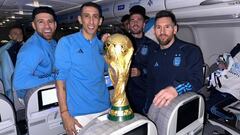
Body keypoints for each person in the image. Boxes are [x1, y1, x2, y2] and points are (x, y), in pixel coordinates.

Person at [55, 2, 110, 135]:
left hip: (105, 109)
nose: (91, 21)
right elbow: (60, 81)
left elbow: (109, 72)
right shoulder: (67, 43)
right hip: (79, 114)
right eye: (87, 16)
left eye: (95, 16)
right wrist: (64, 113)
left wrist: (110, 48)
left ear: (100, 21)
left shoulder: (103, 46)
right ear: (80, 19)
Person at [144, 10, 204, 113]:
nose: (162, 31)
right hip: (157, 106)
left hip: (181, 107)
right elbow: (150, 85)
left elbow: (197, 81)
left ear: (175, 29)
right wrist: (147, 108)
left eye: (167, 27)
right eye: (158, 27)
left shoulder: (190, 51)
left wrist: (176, 89)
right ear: (154, 31)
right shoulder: (152, 54)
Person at [13, 6, 57, 99]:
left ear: (55, 24)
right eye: (41, 22)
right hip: (32, 94)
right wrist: (55, 77)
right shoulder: (32, 48)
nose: (47, 26)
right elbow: (20, 82)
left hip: (48, 86)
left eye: (50, 21)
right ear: (34, 25)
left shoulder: (52, 42)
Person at [126, 5, 158, 115]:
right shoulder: (121, 42)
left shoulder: (153, 45)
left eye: (139, 20)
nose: (135, 23)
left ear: (144, 24)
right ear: (129, 25)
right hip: (125, 93)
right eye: (132, 20)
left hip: (143, 93)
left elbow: (157, 69)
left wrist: (141, 72)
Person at [0, 25, 24, 100]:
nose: (18, 35)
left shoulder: (27, 47)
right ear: (10, 36)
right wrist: (13, 43)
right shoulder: (4, 50)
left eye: (20, 33)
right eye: (15, 33)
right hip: (10, 84)